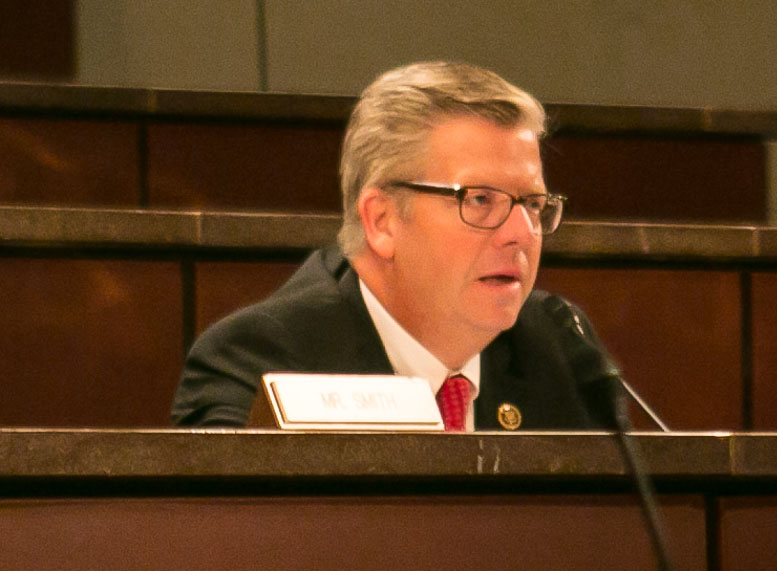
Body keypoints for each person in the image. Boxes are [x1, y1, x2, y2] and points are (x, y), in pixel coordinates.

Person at [171, 61, 616, 430]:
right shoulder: (262, 361)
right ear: (382, 221)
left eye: (533, 204)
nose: (521, 232)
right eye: (479, 200)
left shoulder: (558, 348)